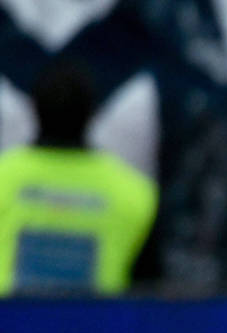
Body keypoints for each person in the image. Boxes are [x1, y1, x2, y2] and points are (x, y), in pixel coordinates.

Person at [0, 57, 158, 296]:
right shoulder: (136, 192)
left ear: (33, 108)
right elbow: (150, 287)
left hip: (9, 330)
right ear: (93, 113)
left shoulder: (4, 175)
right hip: (100, 330)